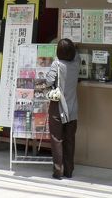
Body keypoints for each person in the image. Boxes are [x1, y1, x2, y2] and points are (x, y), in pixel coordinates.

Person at [45, 38, 81, 180]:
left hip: (58, 106)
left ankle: (58, 171)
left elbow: (48, 81)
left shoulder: (57, 64)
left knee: (56, 139)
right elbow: (76, 53)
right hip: (72, 107)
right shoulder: (77, 63)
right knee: (70, 139)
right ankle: (69, 170)